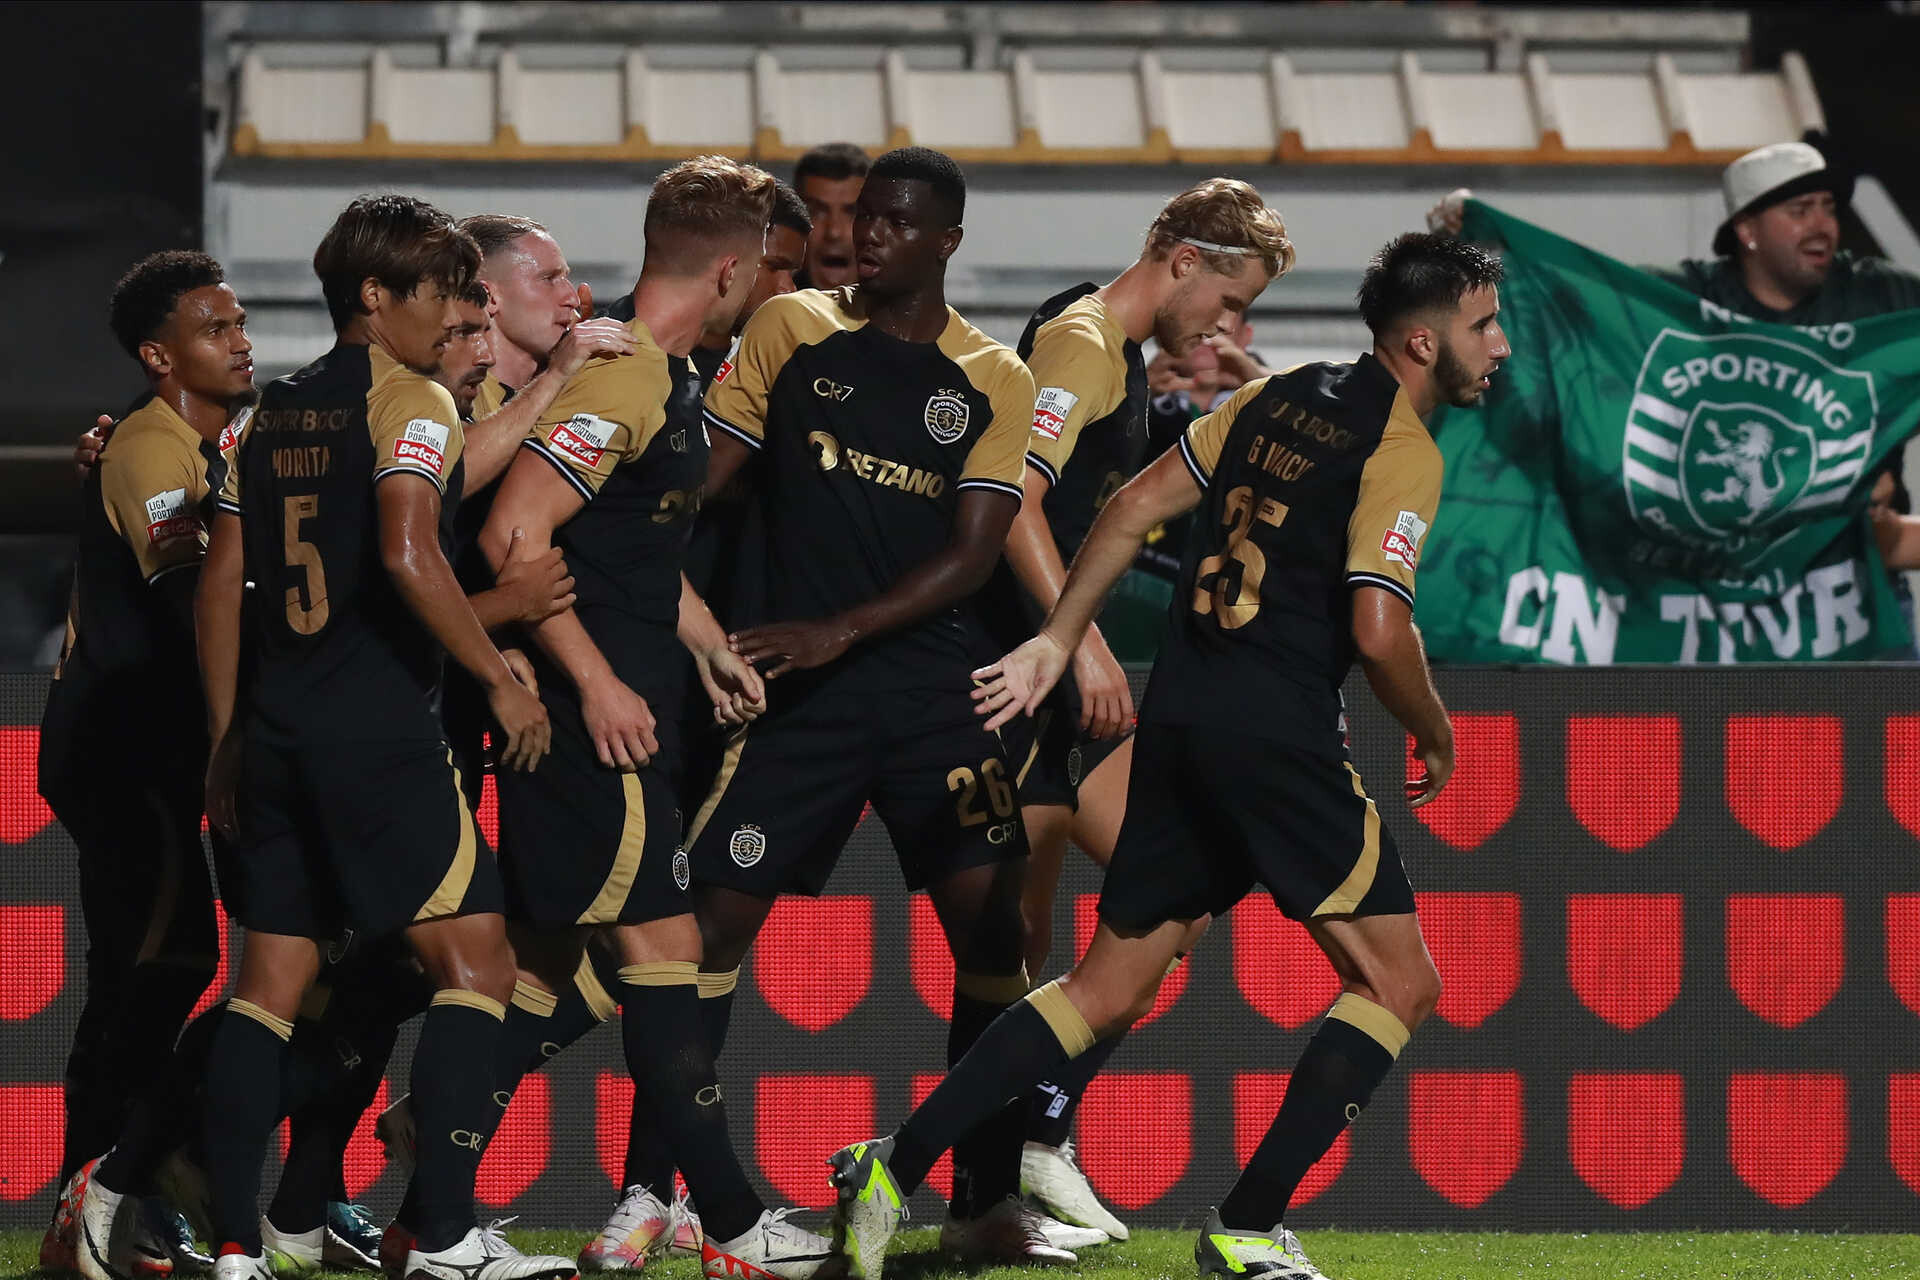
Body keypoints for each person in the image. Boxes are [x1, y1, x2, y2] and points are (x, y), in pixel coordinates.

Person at [825, 232, 1509, 1280]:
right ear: (1423, 341)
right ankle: (1247, 1222)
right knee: (1400, 980)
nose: (1497, 345)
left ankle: (894, 1162)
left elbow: (1135, 502)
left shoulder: (1271, 397)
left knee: (1106, 987)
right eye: (1483, 325)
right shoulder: (1402, 446)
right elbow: (1378, 628)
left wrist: (1060, 635)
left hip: (1180, 721)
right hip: (1276, 733)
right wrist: (1433, 724)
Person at [164, 193, 572, 1280]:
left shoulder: (267, 410)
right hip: (383, 734)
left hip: (280, 731)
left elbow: (220, 587)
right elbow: (406, 550)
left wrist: (226, 734)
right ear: (376, 297)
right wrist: (500, 677)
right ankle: (440, 1237)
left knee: (268, 987)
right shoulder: (415, 404)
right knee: (477, 965)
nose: (450, 312)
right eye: (435, 290)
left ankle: (244, 1246)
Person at [687, 145, 1065, 1265]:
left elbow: (973, 552)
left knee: (998, 936)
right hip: (795, 698)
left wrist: (840, 628)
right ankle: (671, 1193)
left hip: (928, 699)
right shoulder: (788, 331)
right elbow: (705, 476)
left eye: (898, 221)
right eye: (861, 219)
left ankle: (981, 1202)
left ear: (947, 238)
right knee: (703, 932)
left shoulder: (996, 377)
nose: (869, 236)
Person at [472, 155, 836, 1280]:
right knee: (667, 951)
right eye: (766, 267)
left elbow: (634, 548)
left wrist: (708, 646)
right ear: (730, 267)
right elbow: (514, 540)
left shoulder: (669, 375)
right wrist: (593, 679)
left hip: (639, 700)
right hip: (603, 722)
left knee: (530, 977)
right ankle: (729, 1220)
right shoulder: (627, 372)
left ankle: (414, 1175)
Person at [981, 178, 1295, 1245]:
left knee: (1173, 899)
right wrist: (1079, 638)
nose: (1223, 326)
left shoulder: (1113, 359)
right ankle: (992, 1189)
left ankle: (1040, 1138)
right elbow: (1013, 502)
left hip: (1057, 678)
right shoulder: (1078, 342)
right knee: (1016, 952)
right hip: (1017, 677)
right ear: (1183, 259)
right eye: (1227, 300)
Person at [40, 251, 254, 1279]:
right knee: (166, 963)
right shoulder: (151, 448)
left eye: (241, 320)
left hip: (133, 740)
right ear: (159, 353)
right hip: (128, 744)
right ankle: (118, 1184)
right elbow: (187, 596)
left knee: (141, 967)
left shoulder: (195, 444)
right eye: (216, 327)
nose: (241, 338)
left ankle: (107, 1188)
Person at [1430, 140, 1920, 324]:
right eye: (1800, 210)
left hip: (1860, 545)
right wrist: (1473, 246)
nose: (1822, 227)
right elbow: (1577, 289)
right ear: (1747, 230)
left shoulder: (1878, 294)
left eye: (1828, 208)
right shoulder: (1689, 300)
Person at [791, 143, 870, 289]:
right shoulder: (769, 307)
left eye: (852, 213)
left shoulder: (906, 308)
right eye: (816, 212)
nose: (834, 232)